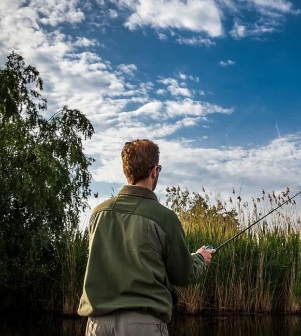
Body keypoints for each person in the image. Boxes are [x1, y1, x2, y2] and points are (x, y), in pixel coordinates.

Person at [78, 139, 215, 336]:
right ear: (154, 171)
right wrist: (201, 257)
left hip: (96, 325)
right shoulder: (164, 217)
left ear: (127, 171)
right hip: (141, 326)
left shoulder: (98, 213)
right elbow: (182, 274)